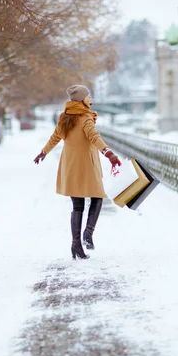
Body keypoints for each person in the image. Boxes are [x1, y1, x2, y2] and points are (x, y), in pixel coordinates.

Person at [33, 85, 122, 260]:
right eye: (89, 96)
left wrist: (43, 152)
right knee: (97, 197)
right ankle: (87, 234)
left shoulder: (64, 118)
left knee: (78, 205)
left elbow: (55, 137)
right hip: (87, 165)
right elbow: (94, 137)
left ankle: (76, 245)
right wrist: (108, 153)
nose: (91, 99)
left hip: (70, 165)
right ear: (81, 99)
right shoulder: (85, 118)